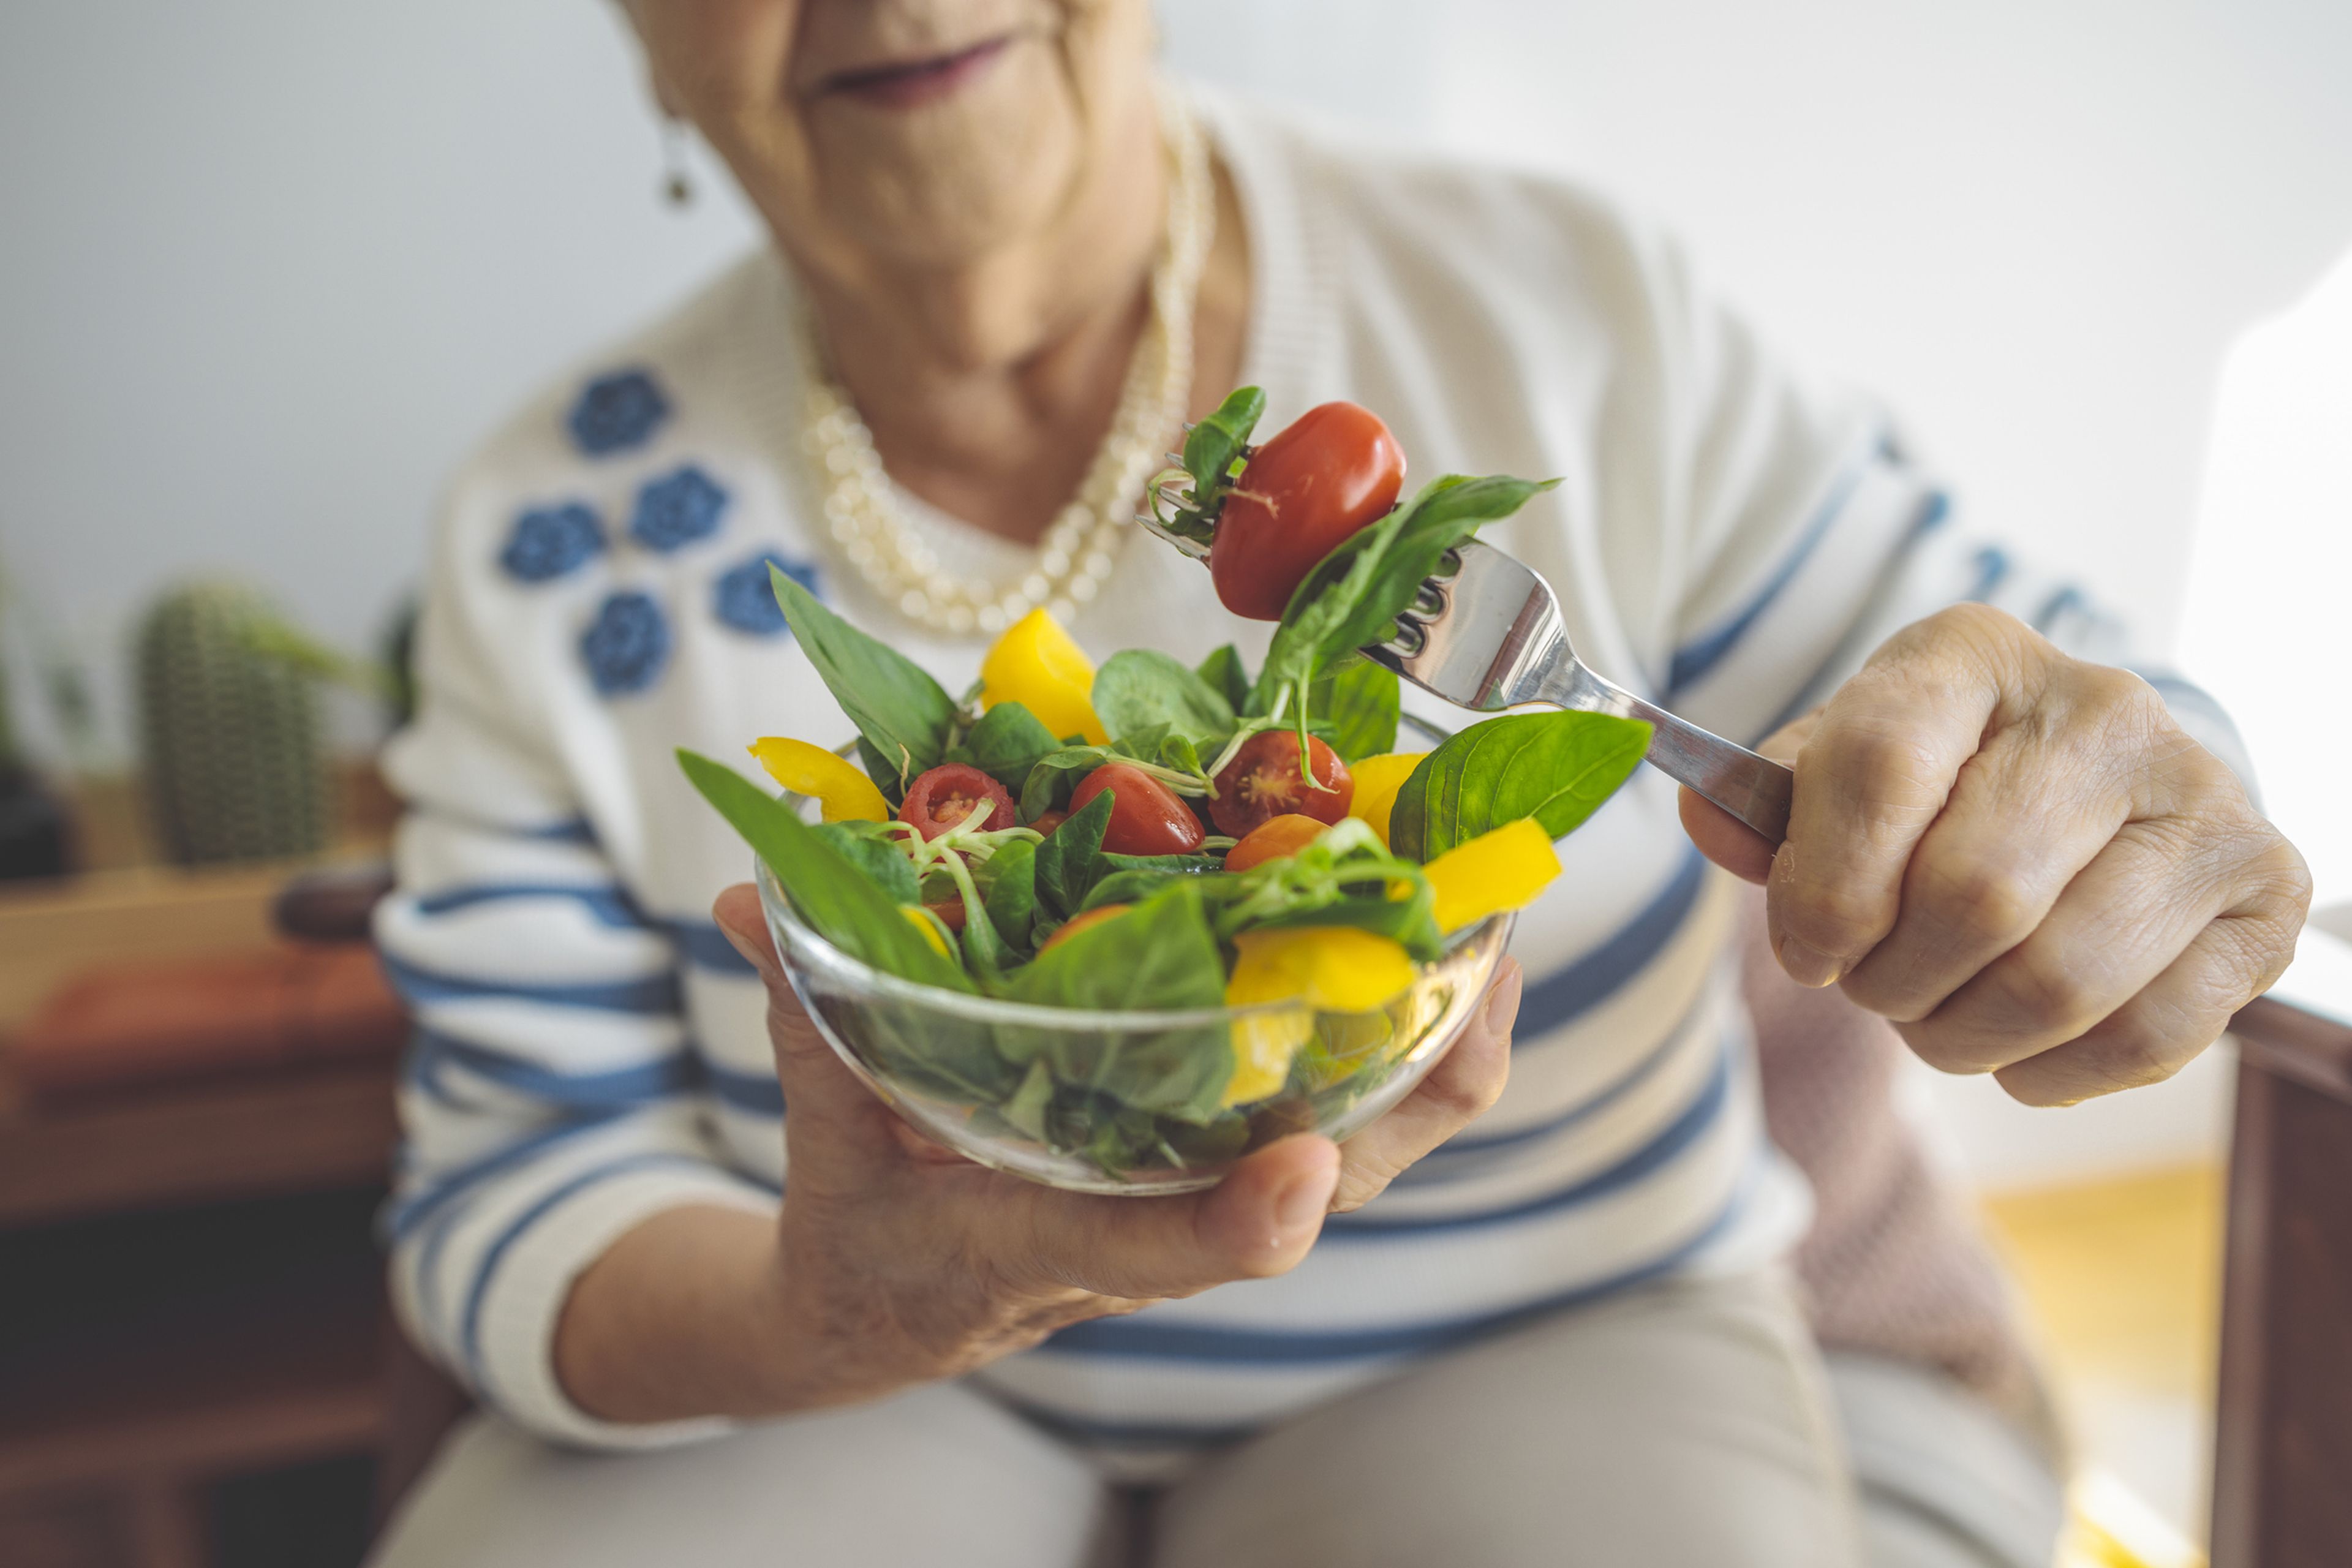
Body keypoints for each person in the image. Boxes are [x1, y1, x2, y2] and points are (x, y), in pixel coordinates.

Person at [366, 4, 2309, 1564]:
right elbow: (517, 1197)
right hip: (844, 1382)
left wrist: (2134, 803)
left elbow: (2033, 681)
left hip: (1555, 1333)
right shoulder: (550, 533)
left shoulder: (1557, 306)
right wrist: (846, 1311)